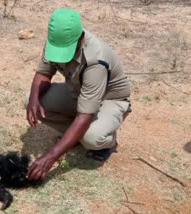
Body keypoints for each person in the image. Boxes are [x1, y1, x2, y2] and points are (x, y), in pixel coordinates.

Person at [25, 8, 132, 181]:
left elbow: (85, 115)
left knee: (92, 138)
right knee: (32, 101)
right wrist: (33, 100)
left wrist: (50, 156)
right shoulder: (56, 40)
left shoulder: (95, 60)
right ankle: (74, 136)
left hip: (109, 99)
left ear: (80, 38)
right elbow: (44, 73)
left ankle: (107, 142)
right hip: (79, 93)